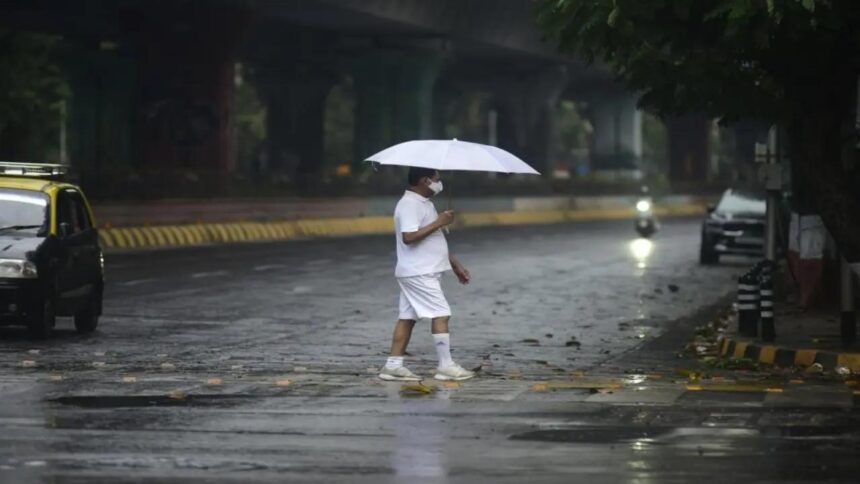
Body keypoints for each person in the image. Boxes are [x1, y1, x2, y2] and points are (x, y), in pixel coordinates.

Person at [378, 167, 475, 382]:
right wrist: (439, 222)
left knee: (407, 318)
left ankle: (393, 366)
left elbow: (434, 240)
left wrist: (455, 264)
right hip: (419, 271)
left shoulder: (425, 203)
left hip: (422, 270)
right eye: (436, 180)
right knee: (441, 313)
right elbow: (409, 237)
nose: (439, 184)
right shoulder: (410, 204)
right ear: (425, 181)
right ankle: (446, 365)